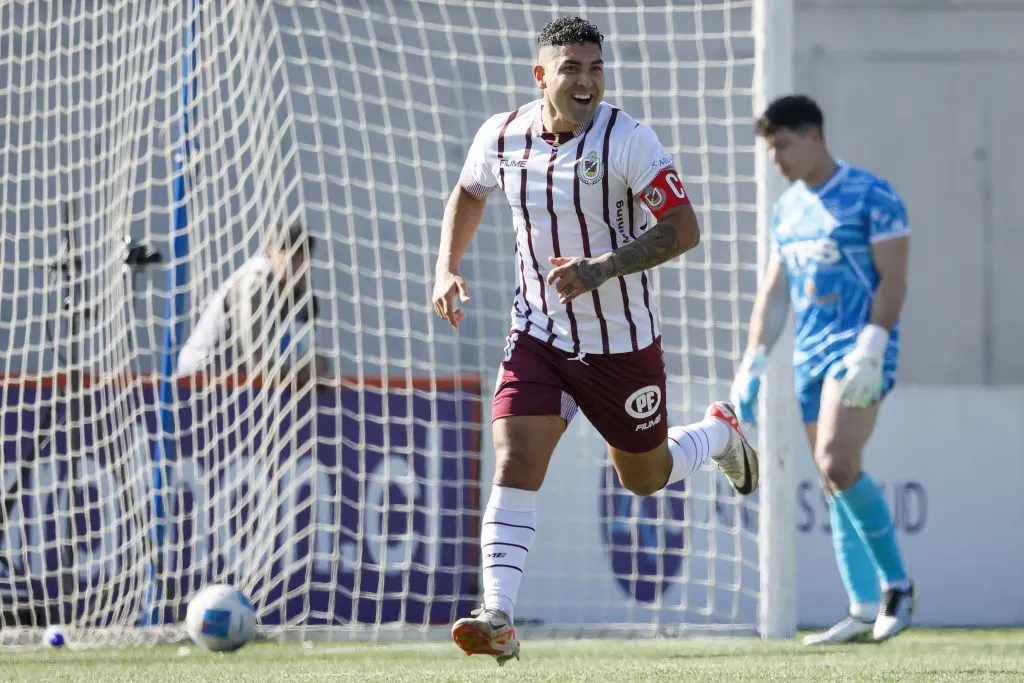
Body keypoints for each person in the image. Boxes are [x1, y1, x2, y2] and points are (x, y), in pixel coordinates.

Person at [431, 16, 759, 665]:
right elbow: (468, 191)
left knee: (642, 476)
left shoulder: (628, 139)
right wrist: (446, 265)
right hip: (539, 331)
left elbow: (684, 227)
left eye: (595, 70)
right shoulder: (501, 135)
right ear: (541, 76)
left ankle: (718, 433)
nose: (586, 83)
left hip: (621, 342)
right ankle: (498, 612)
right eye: (572, 70)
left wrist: (602, 268)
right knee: (516, 456)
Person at [731, 94, 914, 644]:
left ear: (813, 137)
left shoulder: (871, 194)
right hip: (809, 359)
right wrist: (754, 362)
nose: (776, 159)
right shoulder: (787, 210)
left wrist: (873, 346)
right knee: (833, 480)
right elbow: (774, 292)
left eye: (782, 145)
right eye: (769, 150)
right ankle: (860, 609)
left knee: (837, 459)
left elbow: (894, 278)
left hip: (857, 352)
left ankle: (897, 587)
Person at [178, 221, 326, 389]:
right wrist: (294, 373)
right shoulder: (254, 282)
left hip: (241, 381)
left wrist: (316, 363)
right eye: (289, 254)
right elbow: (255, 359)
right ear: (269, 254)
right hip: (200, 377)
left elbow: (311, 347)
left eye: (302, 257)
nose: (296, 264)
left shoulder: (304, 292)